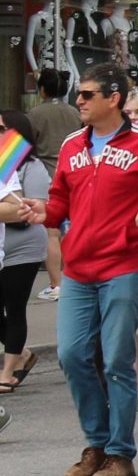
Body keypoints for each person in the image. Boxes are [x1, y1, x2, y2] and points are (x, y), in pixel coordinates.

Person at [17, 62, 138, 476]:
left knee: (116, 359)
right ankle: (95, 445)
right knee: (72, 355)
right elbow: (60, 201)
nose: (78, 100)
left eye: (87, 94)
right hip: (78, 267)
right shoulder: (74, 145)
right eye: (79, 94)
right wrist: (43, 211)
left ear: (113, 98)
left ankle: (119, 452)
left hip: (125, 266)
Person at [0, 111, 50, 393]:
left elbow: (28, 210)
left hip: (25, 247)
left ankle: (7, 372)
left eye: (2, 128)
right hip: (6, 245)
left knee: (15, 307)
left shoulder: (31, 167)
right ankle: (22, 354)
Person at [28, 68, 82, 301]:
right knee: (75, 230)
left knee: (51, 233)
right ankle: (73, 279)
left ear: (42, 89)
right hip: (76, 173)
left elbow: (26, 144)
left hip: (47, 175)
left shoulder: (35, 114)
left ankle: (56, 284)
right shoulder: (75, 112)